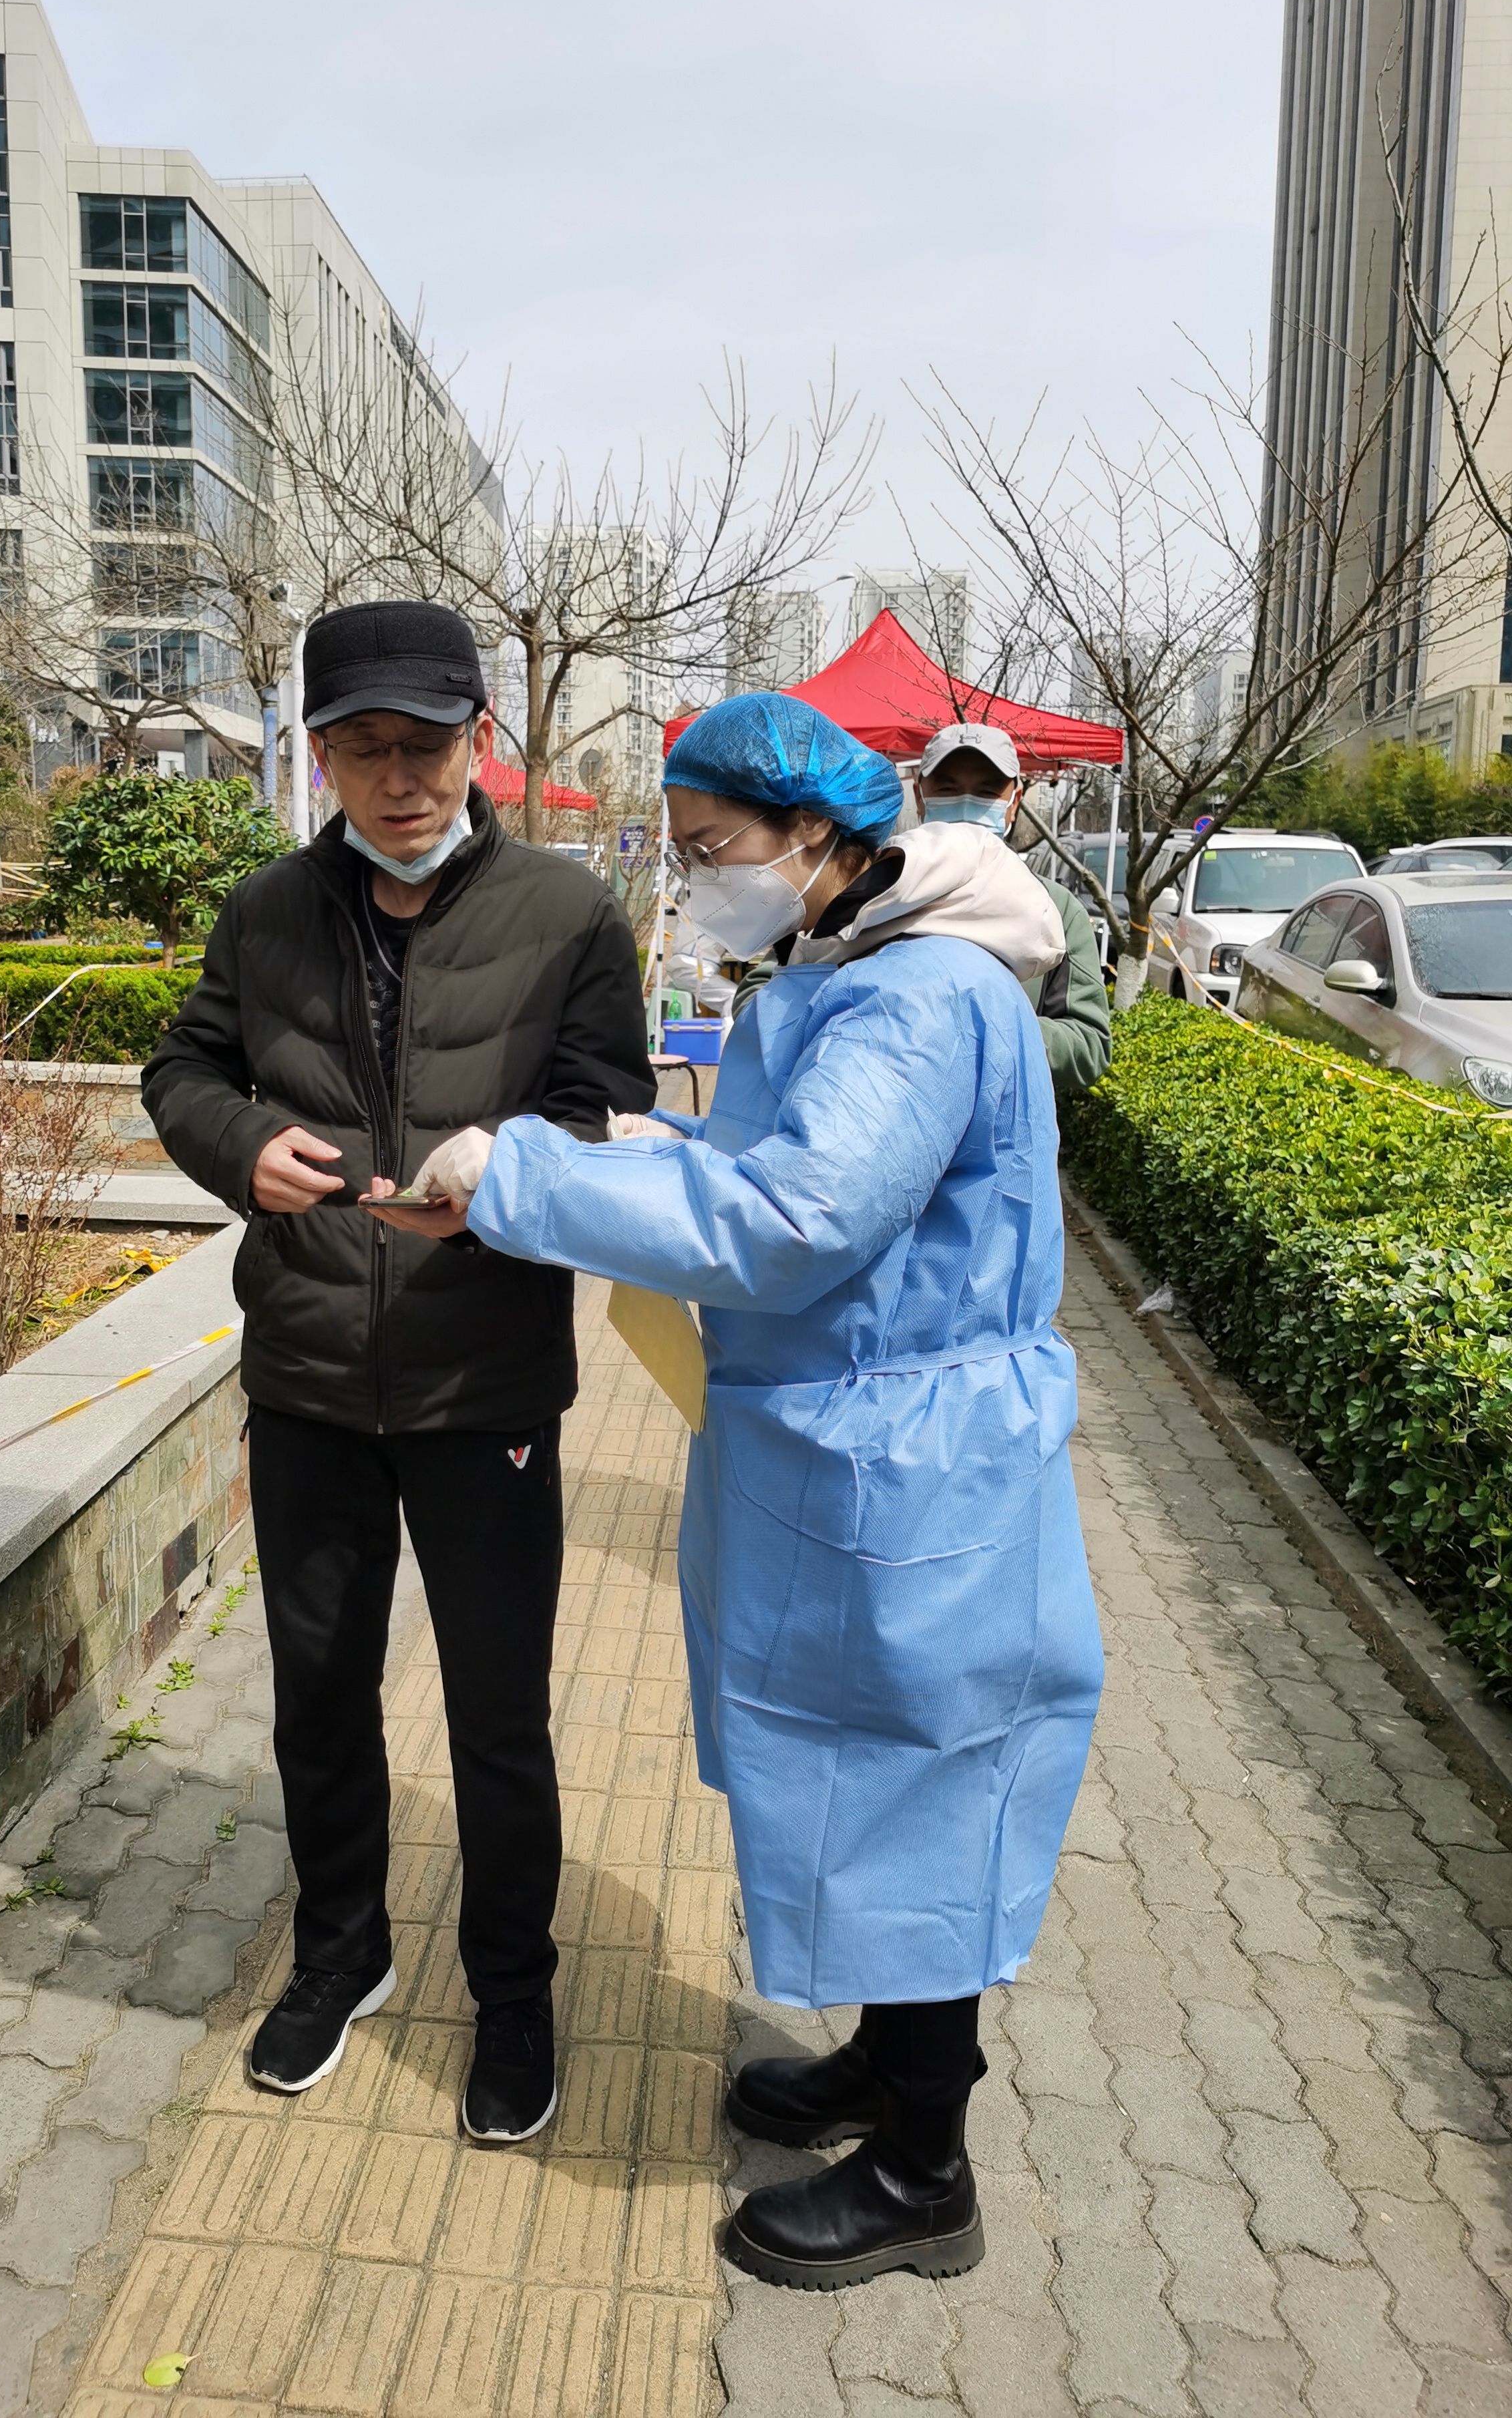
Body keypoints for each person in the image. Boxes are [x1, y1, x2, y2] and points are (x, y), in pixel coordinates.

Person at [367, 691, 1105, 2289]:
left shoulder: (913, 998)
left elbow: (790, 1221)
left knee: (910, 1788)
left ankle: (924, 2172)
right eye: (682, 851)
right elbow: (765, 1176)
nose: (697, 880)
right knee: (857, 1779)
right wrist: (623, 1158)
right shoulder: (846, 969)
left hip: (905, 1468)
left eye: (712, 851)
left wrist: (526, 1175)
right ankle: (887, 2065)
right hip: (850, 1446)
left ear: (815, 835)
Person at [142, 598, 655, 2145]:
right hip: (307, 1376)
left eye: (426, 744)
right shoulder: (265, 913)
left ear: (477, 740)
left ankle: (512, 1996)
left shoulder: (567, 914)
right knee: (318, 1696)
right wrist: (242, 1144)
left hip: (482, 1381)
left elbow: (604, 1103)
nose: (400, 778)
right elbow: (182, 1068)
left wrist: (506, 1166)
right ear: (319, 756)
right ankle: (340, 1954)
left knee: (497, 1717)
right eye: (363, 748)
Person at [916, 720, 1112, 1093]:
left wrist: (992, 1028)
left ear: (1013, 803)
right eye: (948, 789)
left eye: (987, 792)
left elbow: (1089, 1046)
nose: (967, 804)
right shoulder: (880, 894)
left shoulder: (1056, 910)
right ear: (919, 796)